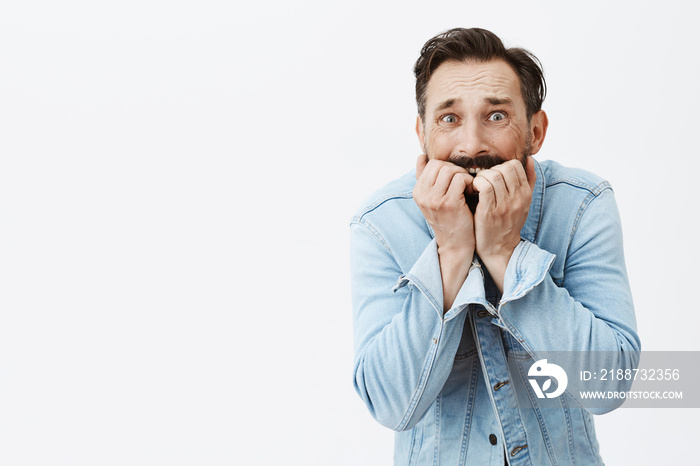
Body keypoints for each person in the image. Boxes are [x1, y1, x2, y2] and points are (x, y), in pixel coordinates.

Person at [349, 28, 640, 465]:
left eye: (497, 116)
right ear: (422, 133)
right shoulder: (380, 223)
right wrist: (449, 253)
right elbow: (391, 406)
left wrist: (507, 254)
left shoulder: (582, 205)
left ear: (536, 132)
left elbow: (609, 385)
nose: (471, 145)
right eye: (449, 119)